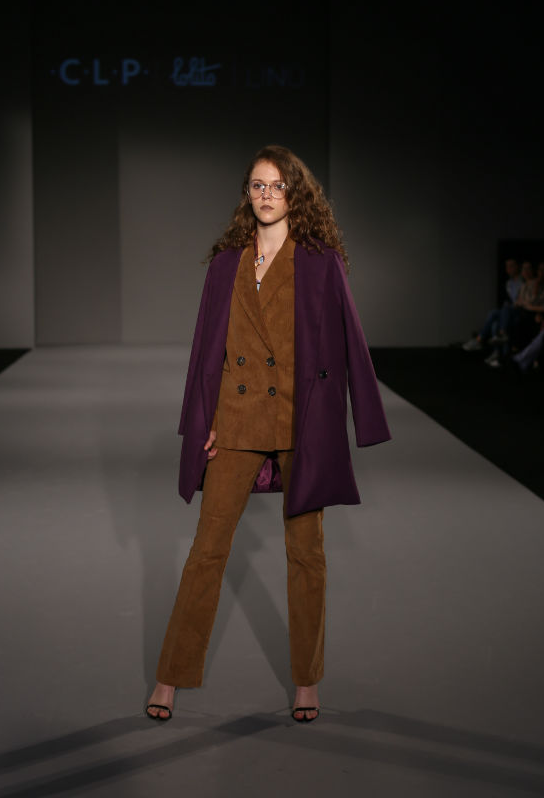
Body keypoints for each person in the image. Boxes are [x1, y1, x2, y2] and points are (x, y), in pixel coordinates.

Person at [145, 145, 391, 724]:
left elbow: (351, 339)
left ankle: (306, 680)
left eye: (277, 186)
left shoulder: (321, 263)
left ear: (295, 193)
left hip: (300, 422)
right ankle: (170, 676)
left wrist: (361, 419)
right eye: (257, 186)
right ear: (247, 194)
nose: (266, 195)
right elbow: (205, 352)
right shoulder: (225, 265)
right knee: (207, 551)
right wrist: (200, 422)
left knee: (306, 554)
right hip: (235, 418)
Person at [462, 258, 523, 351]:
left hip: (520, 310)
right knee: (494, 320)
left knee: (504, 310)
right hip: (511, 309)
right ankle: (493, 349)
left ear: (517, 267)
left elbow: (523, 298)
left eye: (511, 266)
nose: (509, 269)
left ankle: (486, 338)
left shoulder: (523, 281)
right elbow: (512, 299)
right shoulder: (509, 283)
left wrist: (517, 303)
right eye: (507, 267)